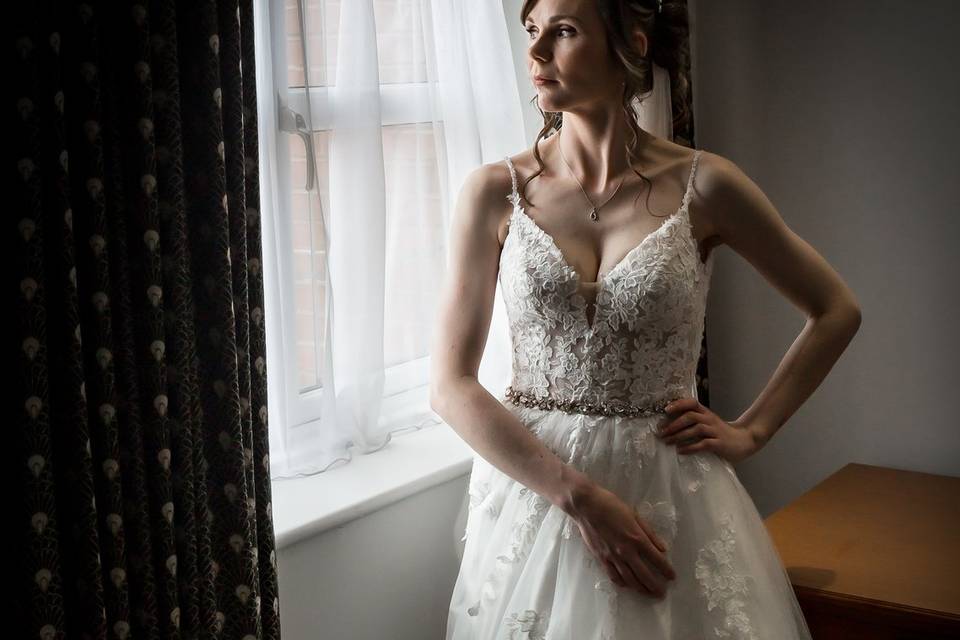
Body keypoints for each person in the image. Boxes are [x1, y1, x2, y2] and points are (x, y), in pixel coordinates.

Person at [430, 1, 861, 637]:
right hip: (539, 496)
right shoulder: (494, 192)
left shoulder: (706, 185)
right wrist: (577, 497)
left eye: (565, 31)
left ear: (629, 42)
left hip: (669, 490)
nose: (537, 52)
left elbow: (836, 311)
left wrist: (752, 432)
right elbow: (449, 387)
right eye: (531, 31)